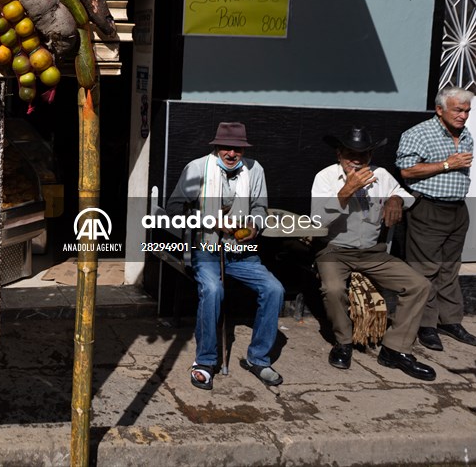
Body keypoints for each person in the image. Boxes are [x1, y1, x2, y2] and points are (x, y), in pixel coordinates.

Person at [165, 122, 285, 390]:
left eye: (237, 148)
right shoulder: (196, 169)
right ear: (216, 147)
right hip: (206, 250)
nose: (231, 153)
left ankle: (258, 359)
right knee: (213, 289)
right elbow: (174, 210)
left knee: (274, 289)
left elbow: (260, 207)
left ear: (244, 149)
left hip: (242, 254)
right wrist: (212, 221)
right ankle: (205, 362)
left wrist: (255, 225)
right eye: (226, 148)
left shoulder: (255, 170)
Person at [311, 127, 435, 380]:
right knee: (333, 289)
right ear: (339, 154)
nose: (357, 160)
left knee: (419, 285)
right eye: (350, 154)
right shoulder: (325, 177)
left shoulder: (381, 175)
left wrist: (396, 200)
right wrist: (346, 190)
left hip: (371, 251)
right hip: (334, 249)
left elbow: (402, 194)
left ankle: (395, 349)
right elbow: (317, 220)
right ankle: (343, 343)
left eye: (363, 154)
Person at [396, 86, 476, 350]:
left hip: (457, 209)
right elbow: (407, 171)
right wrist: (448, 164)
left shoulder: (465, 134)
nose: (464, 115)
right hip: (429, 209)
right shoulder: (419, 134)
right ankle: (426, 325)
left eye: (467, 110)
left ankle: (451, 321)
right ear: (440, 109)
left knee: (449, 268)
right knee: (426, 269)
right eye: (458, 110)